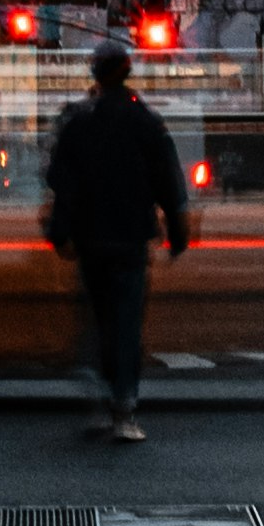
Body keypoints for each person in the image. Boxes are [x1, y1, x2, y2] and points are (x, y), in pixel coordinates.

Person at [44, 37, 190, 442]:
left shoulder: (79, 122)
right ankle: (123, 406)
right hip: (130, 236)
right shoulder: (144, 122)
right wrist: (178, 230)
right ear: (126, 72)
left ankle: (97, 389)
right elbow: (168, 180)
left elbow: (63, 183)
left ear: (95, 74)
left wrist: (60, 230)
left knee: (97, 315)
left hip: (92, 237)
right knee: (126, 321)